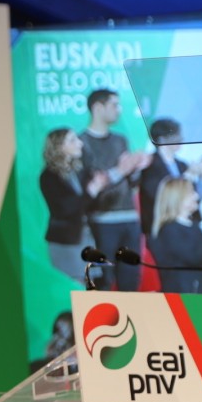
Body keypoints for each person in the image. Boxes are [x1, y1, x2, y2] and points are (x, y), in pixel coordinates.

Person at [80, 88, 151, 291]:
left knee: (131, 277)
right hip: (102, 220)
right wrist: (122, 169)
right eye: (114, 105)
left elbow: (131, 181)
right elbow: (93, 183)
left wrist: (137, 168)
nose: (119, 110)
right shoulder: (82, 143)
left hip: (129, 217)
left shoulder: (120, 140)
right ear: (98, 107)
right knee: (103, 278)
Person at [39, 127, 107, 280]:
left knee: (90, 283)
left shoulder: (78, 172)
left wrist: (98, 188)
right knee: (75, 284)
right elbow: (65, 208)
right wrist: (91, 192)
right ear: (59, 147)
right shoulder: (49, 176)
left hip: (85, 236)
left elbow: (88, 205)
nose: (80, 143)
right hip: (66, 241)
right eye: (72, 140)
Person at [148, 176, 202, 294]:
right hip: (185, 295)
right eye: (191, 193)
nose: (196, 196)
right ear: (177, 198)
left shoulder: (194, 226)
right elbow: (193, 256)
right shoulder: (169, 230)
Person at [139, 118, 197, 238]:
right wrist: (187, 176)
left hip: (184, 224)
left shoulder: (182, 165)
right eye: (175, 135)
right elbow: (158, 194)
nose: (180, 139)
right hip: (161, 226)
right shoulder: (149, 165)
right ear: (161, 139)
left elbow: (193, 194)